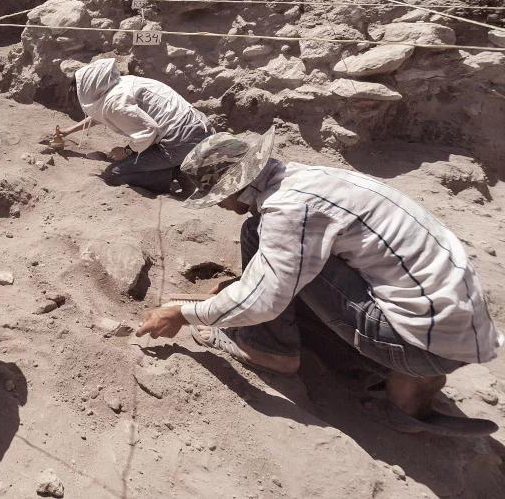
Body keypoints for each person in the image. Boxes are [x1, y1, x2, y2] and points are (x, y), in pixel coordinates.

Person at [136, 129, 503, 435]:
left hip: (421, 343)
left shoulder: (290, 210)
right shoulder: (308, 179)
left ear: (235, 187)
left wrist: (184, 315)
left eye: (216, 197)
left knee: (272, 252)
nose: (218, 206)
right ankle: (404, 377)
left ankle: (271, 350)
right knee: (262, 234)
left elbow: (263, 301)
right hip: (456, 327)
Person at [54, 57, 213, 194]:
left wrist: (126, 151)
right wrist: (68, 131)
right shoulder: (119, 84)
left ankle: (173, 172)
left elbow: (149, 131)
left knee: (114, 174)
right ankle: (174, 165)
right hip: (196, 126)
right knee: (136, 158)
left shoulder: (115, 102)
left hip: (181, 140)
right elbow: (101, 114)